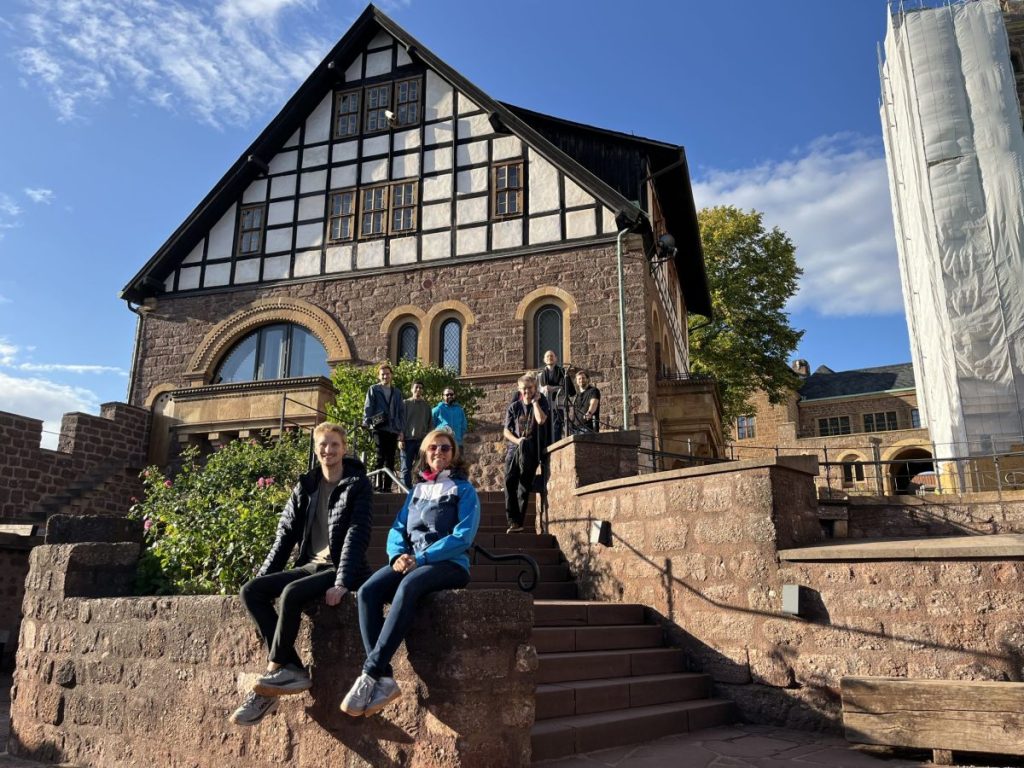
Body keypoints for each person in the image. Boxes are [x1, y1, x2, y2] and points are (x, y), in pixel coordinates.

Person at [229, 422, 373, 726]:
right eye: (322, 444)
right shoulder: (305, 486)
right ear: (316, 448)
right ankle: (291, 667)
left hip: (342, 567)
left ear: (344, 448)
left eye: (334, 444)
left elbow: (356, 535)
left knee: (292, 593)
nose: (328, 450)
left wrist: (342, 581)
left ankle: (271, 677)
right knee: (250, 591)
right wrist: (263, 578)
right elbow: (285, 536)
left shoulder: (357, 484)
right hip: (309, 563)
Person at [339, 428, 480, 717]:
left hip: (449, 564)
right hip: (412, 560)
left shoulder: (464, 490)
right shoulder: (416, 491)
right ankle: (386, 677)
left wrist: (422, 556)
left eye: (445, 448)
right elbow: (397, 528)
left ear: (453, 455)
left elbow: (463, 536)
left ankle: (369, 674)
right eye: (433, 448)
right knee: (368, 591)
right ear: (424, 454)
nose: (438, 453)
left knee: (409, 586)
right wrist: (396, 556)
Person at [503, 373, 549, 533]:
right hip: (514, 448)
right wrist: (518, 441)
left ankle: (518, 523)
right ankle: (512, 520)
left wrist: (535, 402)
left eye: (530, 388)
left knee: (523, 484)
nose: (527, 391)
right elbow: (506, 432)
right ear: (519, 389)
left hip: (531, 449)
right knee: (509, 481)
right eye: (524, 389)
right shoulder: (514, 407)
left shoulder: (542, 402)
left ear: (535, 388)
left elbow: (541, 420)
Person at [363, 363, 405, 492]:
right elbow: (368, 406)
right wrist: (366, 421)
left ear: (391, 375)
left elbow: (401, 412)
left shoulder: (397, 392)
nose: (385, 376)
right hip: (379, 427)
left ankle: (387, 487)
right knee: (380, 456)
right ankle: (377, 485)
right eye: (382, 374)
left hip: (393, 428)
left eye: (387, 374)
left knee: (390, 459)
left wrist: (401, 430)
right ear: (379, 376)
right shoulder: (374, 389)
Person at [399, 380, 432, 490]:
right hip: (407, 440)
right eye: (416, 387)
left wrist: (428, 440)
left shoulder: (427, 406)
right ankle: (406, 490)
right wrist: (400, 438)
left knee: (422, 467)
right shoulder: (405, 403)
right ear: (412, 389)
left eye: (421, 388)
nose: (418, 389)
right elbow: (400, 422)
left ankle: (420, 489)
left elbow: (430, 424)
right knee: (405, 467)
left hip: (422, 441)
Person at [537, 350, 575, 443]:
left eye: (551, 356)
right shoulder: (540, 375)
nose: (550, 358)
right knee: (546, 429)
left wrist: (552, 388)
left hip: (558, 405)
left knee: (556, 428)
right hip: (545, 406)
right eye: (547, 356)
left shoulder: (562, 372)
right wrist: (544, 389)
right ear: (544, 360)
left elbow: (566, 388)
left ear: (556, 359)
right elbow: (537, 390)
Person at [570, 370, 601, 434]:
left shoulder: (593, 391)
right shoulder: (576, 395)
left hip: (588, 427)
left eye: (583, 378)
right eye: (579, 379)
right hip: (575, 428)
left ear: (587, 379)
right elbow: (573, 411)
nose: (581, 380)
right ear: (576, 381)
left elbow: (593, 403)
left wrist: (589, 413)